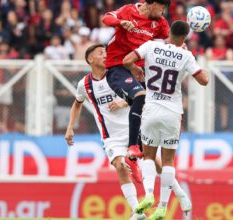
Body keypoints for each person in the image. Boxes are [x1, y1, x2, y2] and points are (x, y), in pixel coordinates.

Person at [123, 20, 209, 219]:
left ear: (169, 31)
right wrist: (194, 63)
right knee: (168, 160)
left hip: (151, 109)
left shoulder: (151, 46)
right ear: (185, 38)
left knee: (148, 156)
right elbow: (204, 80)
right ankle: (163, 207)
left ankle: (149, 195)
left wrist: (136, 70)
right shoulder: (186, 55)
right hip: (172, 112)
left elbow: (127, 60)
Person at [64, 44, 145, 220]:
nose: (105, 55)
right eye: (100, 53)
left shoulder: (119, 74)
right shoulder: (84, 84)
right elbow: (77, 104)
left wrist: (124, 102)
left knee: (157, 163)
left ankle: (175, 189)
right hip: (111, 136)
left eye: (106, 53)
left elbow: (139, 95)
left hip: (133, 129)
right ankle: (137, 211)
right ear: (90, 59)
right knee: (119, 165)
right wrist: (70, 127)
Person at [101, 0, 171, 160]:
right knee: (141, 96)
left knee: (154, 104)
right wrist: (121, 22)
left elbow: (169, 37)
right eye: (162, 8)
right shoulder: (129, 11)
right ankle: (132, 146)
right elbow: (106, 18)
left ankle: (138, 151)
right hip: (118, 67)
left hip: (138, 71)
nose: (163, 12)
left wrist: (180, 45)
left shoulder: (159, 22)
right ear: (153, 4)